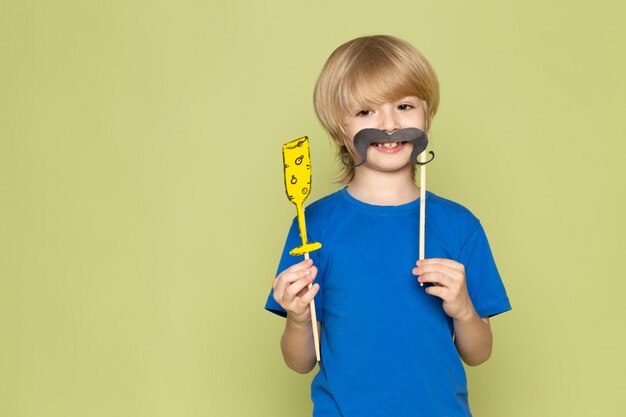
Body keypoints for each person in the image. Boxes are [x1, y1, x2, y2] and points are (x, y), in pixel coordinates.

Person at [265, 35, 511, 417]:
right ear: (338, 129)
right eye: (366, 112)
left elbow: (479, 354)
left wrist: (463, 308)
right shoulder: (312, 226)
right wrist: (298, 317)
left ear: (426, 116)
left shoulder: (459, 225)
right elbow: (300, 362)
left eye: (404, 105)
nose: (390, 124)